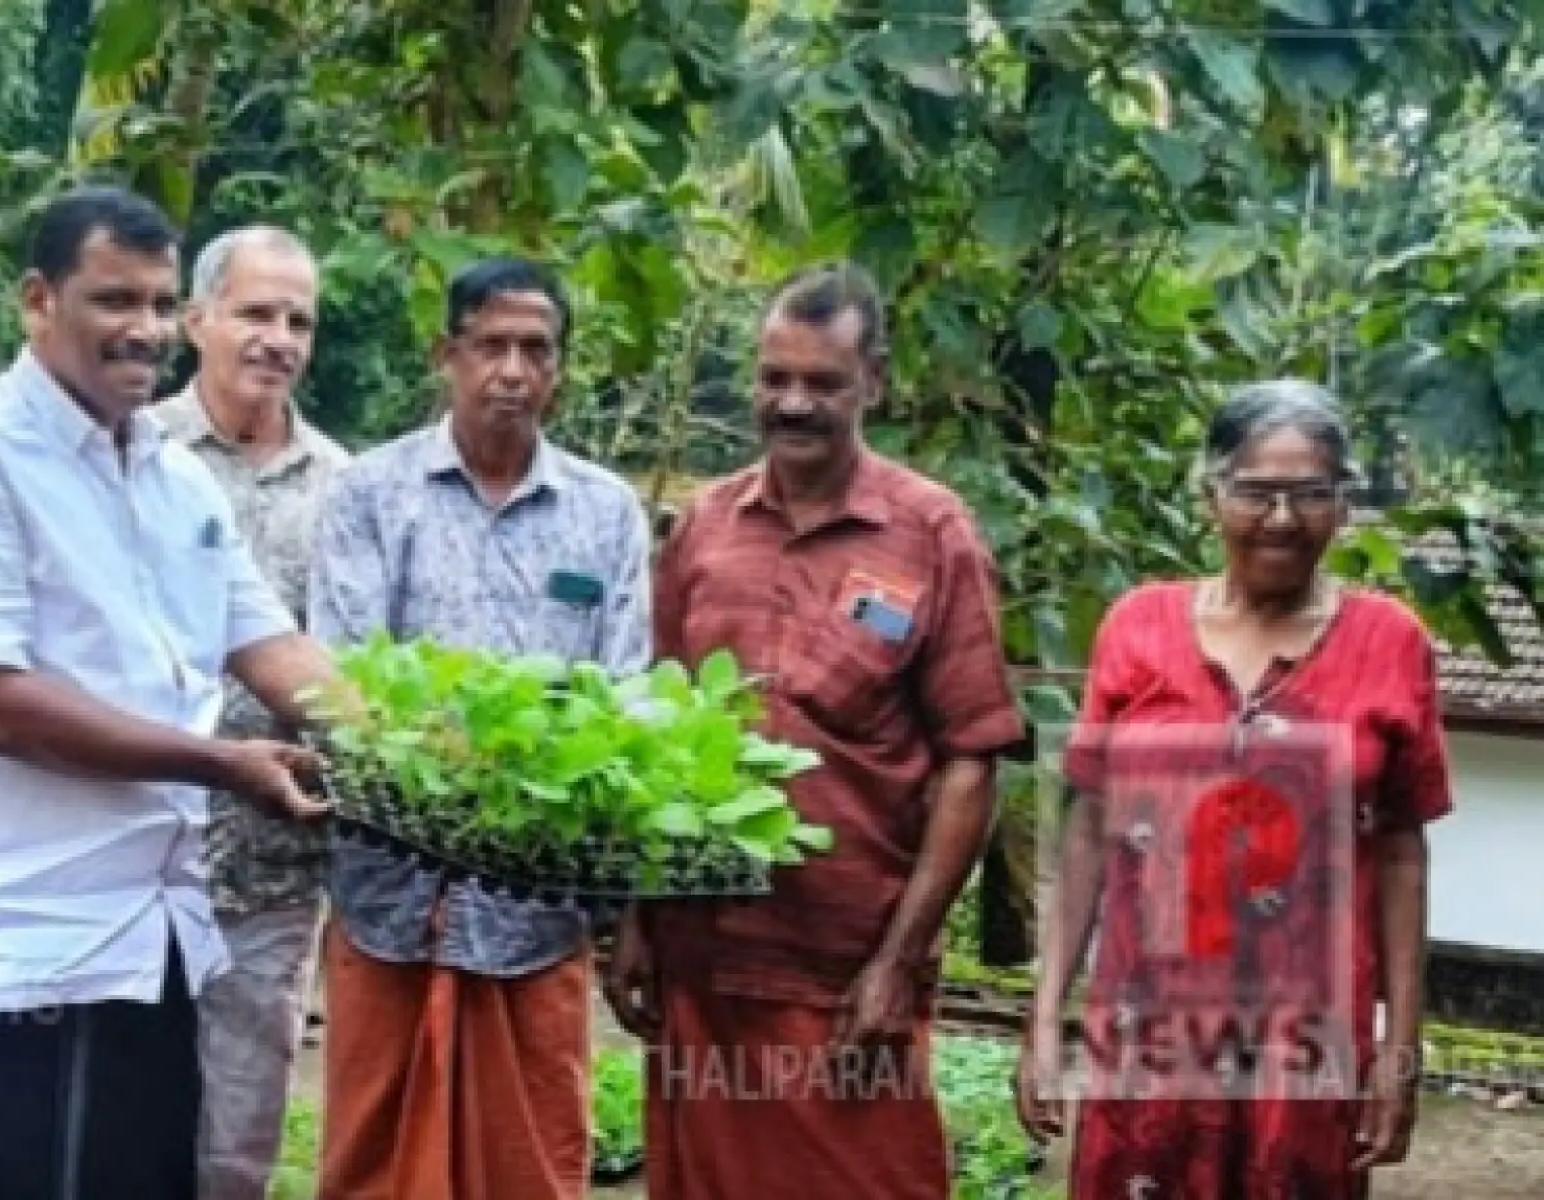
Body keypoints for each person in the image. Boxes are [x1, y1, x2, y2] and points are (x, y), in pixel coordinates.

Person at [0, 185, 344, 1200]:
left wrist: (449, 754)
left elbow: (273, 648)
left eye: (159, 304)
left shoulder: (174, 485)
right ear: (38, 300)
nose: (143, 331)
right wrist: (220, 762)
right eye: (111, 300)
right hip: (14, 947)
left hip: (153, 944)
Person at [607, 261, 1026, 1199]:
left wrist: (898, 961)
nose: (792, 403)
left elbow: (971, 762)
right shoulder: (704, 530)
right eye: (773, 378)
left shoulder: (930, 532)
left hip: (846, 971)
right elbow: (662, 738)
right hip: (705, 955)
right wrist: (634, 921)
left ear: (872, 380)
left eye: (822, 383)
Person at [1014, 380, 1449, 1198]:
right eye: (1254, 491)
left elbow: (1399, 851)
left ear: (1342, 503)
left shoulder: (1390, 644)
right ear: (1210, 494)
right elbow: (1086, 828)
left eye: (1309, 494)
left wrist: (1400, 1049)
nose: (1280, 518)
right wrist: (1043, 1015)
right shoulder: (1135, 627)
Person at [308, 257, 653, 1200]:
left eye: (534, 349)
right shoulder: (370, 495)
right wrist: (495, 763)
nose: (511, 370)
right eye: (489, 346)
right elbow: (341, 684)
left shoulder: (605, 512)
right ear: (445, 356)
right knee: (371, 1163)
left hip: (535, 911)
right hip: (391, 897)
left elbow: (620, 699)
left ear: (560, 369)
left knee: (530, 1162)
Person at [149, 225, 351, 1200]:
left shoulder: (347, 488)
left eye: (298, 319)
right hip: (138, 856)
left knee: (236, 1143)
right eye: (255, 312)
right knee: (119, 1122)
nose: (278, 338)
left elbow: (354, 670)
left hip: (273, 865)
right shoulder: (131, 458)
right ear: (196, 320)